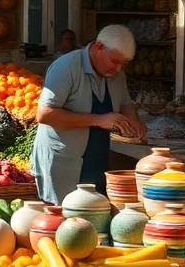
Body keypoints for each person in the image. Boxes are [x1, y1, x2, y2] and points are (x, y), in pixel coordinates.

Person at [32, 24, 146, 203]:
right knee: (65, 219)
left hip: (96, 157)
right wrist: (98, 120)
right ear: (98, 47)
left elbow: (125, 103)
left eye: (123, 64)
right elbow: (45, 114)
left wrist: (134, 122)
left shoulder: (117, 73)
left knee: (94, 215)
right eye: (114, 61)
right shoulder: (66, 66)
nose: (118, 69)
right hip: (63, 161)